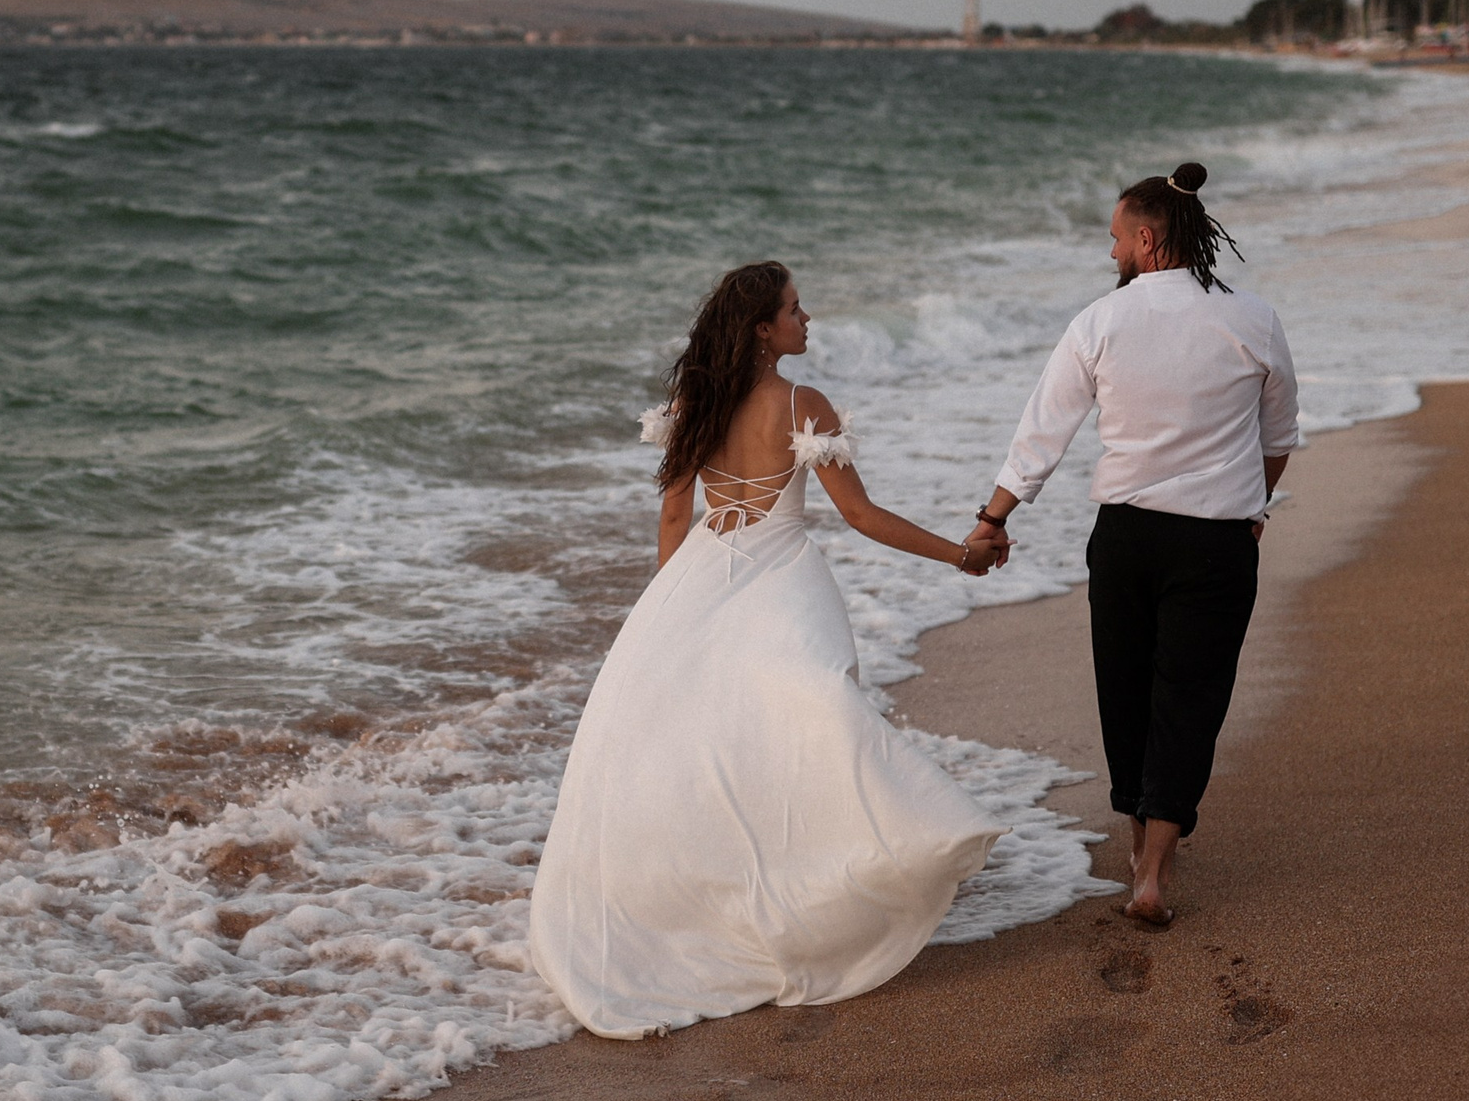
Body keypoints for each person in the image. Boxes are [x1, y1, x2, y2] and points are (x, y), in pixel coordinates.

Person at [528, 261, 1008, 1039]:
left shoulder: (697, 403)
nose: (806, 318)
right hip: (783, 577)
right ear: (762, 329)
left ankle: (735, 896)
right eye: (793, 308)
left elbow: (675, 517)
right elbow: (861, 515)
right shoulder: (801, 403)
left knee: (726, 742)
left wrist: (667, 609)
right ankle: (867, 862)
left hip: (700, 575)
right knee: (809, 721)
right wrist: (961, 554)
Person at [964, 163, 1298, 929]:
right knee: (1191, 694)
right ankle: (1154, 870)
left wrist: (993, 518)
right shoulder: (1254, 318)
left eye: (1116, 236)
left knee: (1127, 689)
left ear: (1146, 241)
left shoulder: (1099, 322)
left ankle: (1142, 837)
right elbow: (1278, 438)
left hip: (1126, 537)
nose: (1110, 249)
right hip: (1217, 541)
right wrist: (1252, 506)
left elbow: (1042, 434)